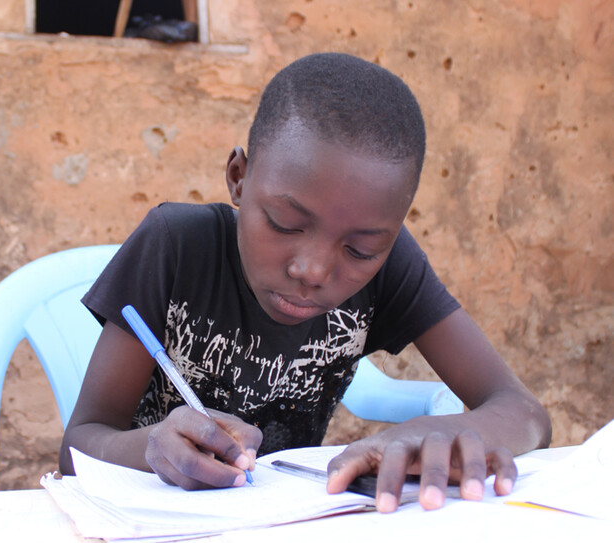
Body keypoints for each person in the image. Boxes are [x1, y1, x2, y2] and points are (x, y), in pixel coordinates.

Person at [59, 52, 551, 513]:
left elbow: (525, 412)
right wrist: (151, 448)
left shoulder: (393, 265)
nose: (312, 271)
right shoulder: (176, 246)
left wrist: (434, 432)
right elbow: (79, 445)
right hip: (152, 520)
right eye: (284, 224)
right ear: (238, 177)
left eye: (359, 251)